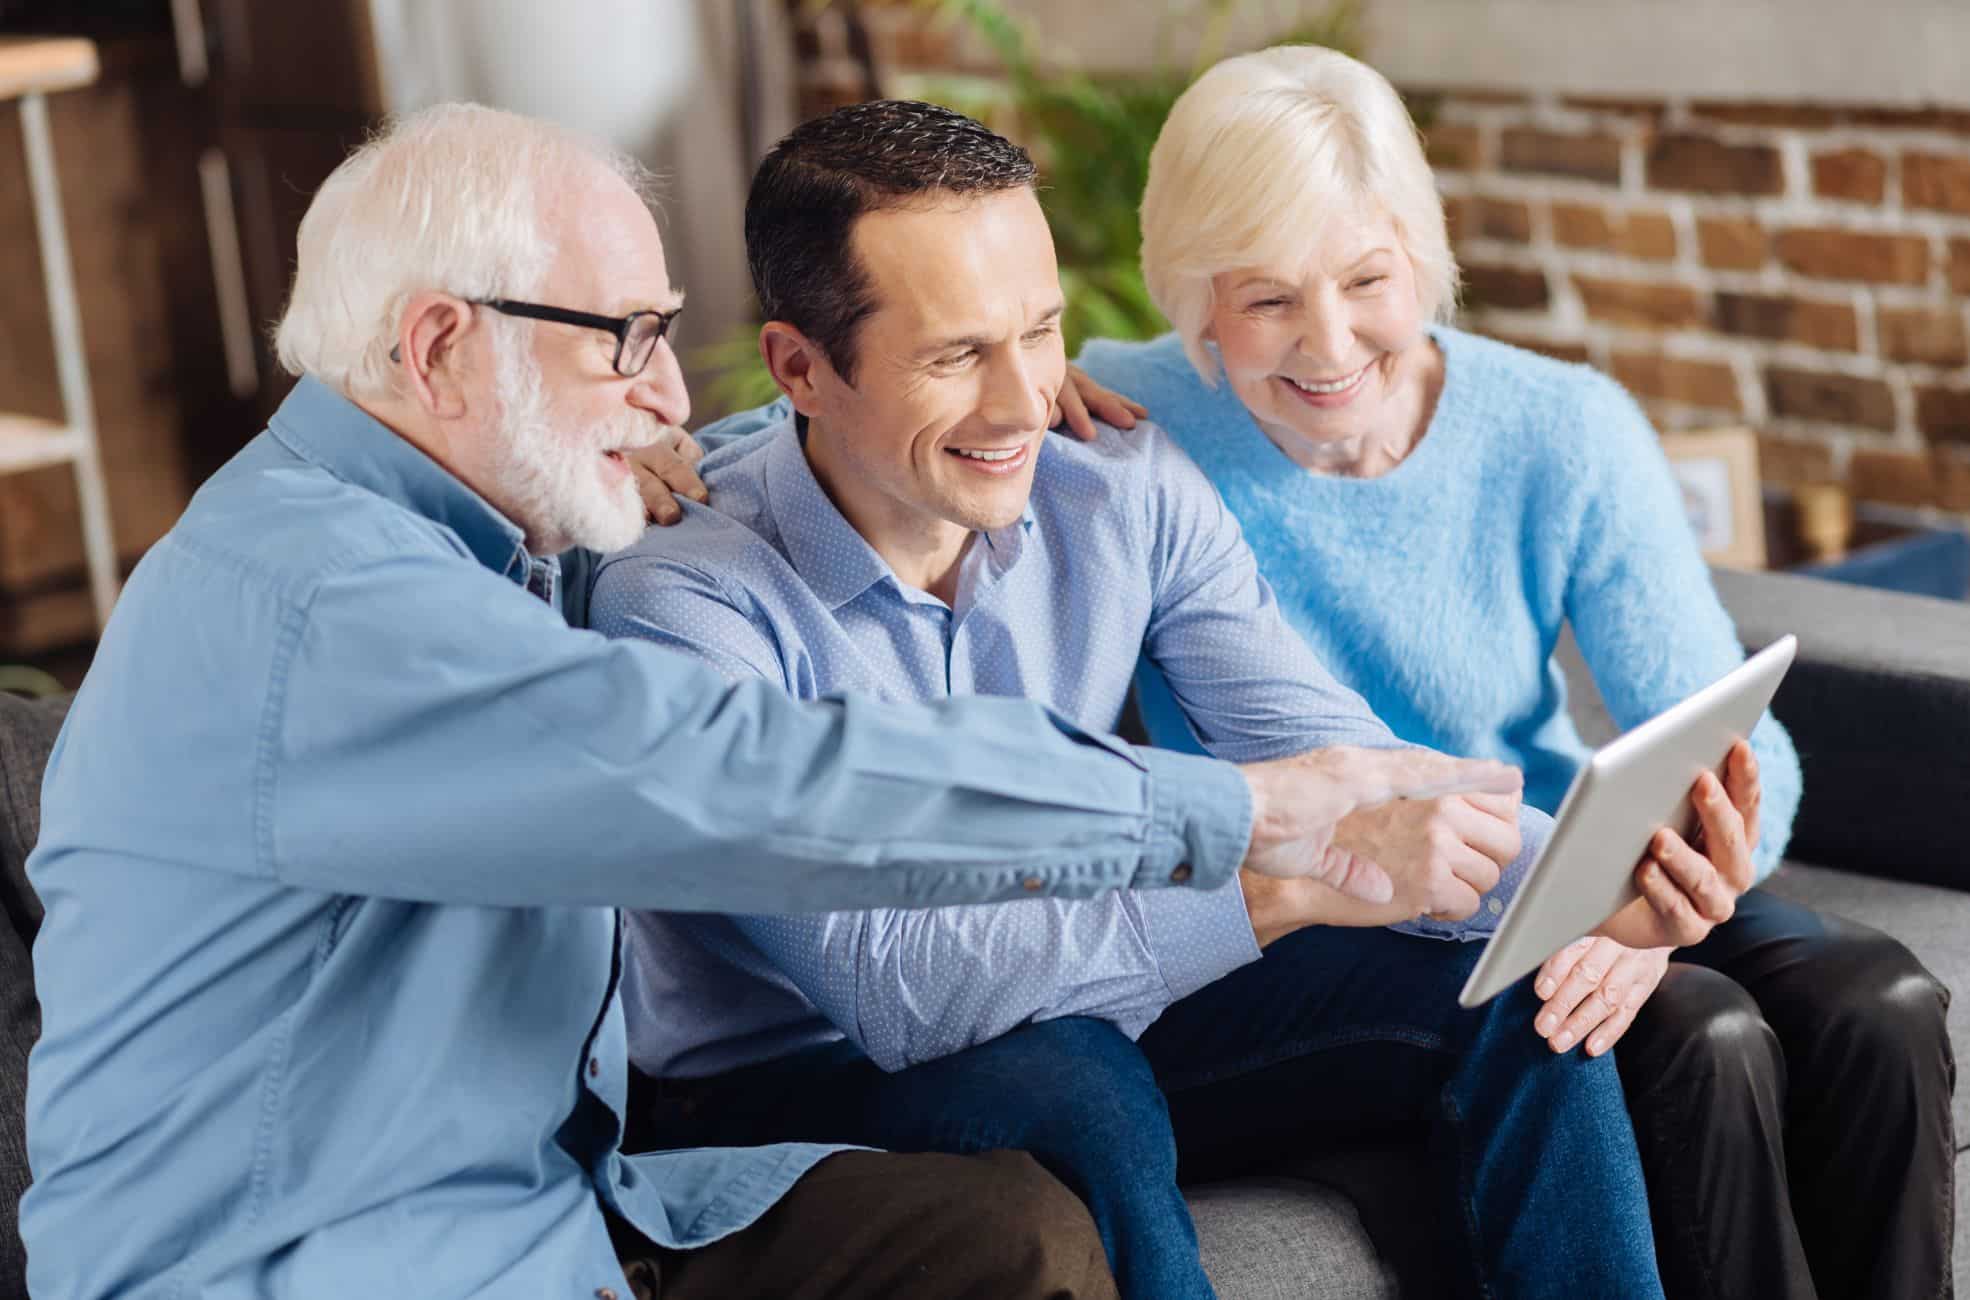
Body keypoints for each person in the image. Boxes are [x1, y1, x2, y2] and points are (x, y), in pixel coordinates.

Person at [16, 103, 1518, 1300]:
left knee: (1007, 1238)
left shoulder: (474, 541)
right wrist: (1238, 816)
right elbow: (756, 781)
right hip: (322, 1263)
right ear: (435, 348)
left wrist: (929, 404)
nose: (666, 394)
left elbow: (749, 458)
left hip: (570, 1206)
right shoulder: (327, 606)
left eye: (664, 338)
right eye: (624, 340)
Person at [592, 100, 1755, 1300]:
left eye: (1038, 333)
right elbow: (899, 990)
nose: (1022, 402)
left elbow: (1342, 758)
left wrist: (1596, 882)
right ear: (799, 367)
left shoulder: (1115, 485)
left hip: (1086, 984)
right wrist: (1279, 886)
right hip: (799, 1067)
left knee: (1514, 997)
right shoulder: (685, 607)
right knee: (1070, 1077)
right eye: (955, 355)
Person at [1067, 46, 1954, 1300]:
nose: (1326, 345)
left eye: (1367, 280)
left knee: (1879, 1000)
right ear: (1190, 299)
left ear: (1420, 261)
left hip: (1553, 857)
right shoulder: (1119, 408)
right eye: (1263, 300)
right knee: (1700, 1033)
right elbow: (889, 403)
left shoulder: (1560, 427)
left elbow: (1733, 744)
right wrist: (681, 453)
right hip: (1328, 915)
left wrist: (1658, 900)